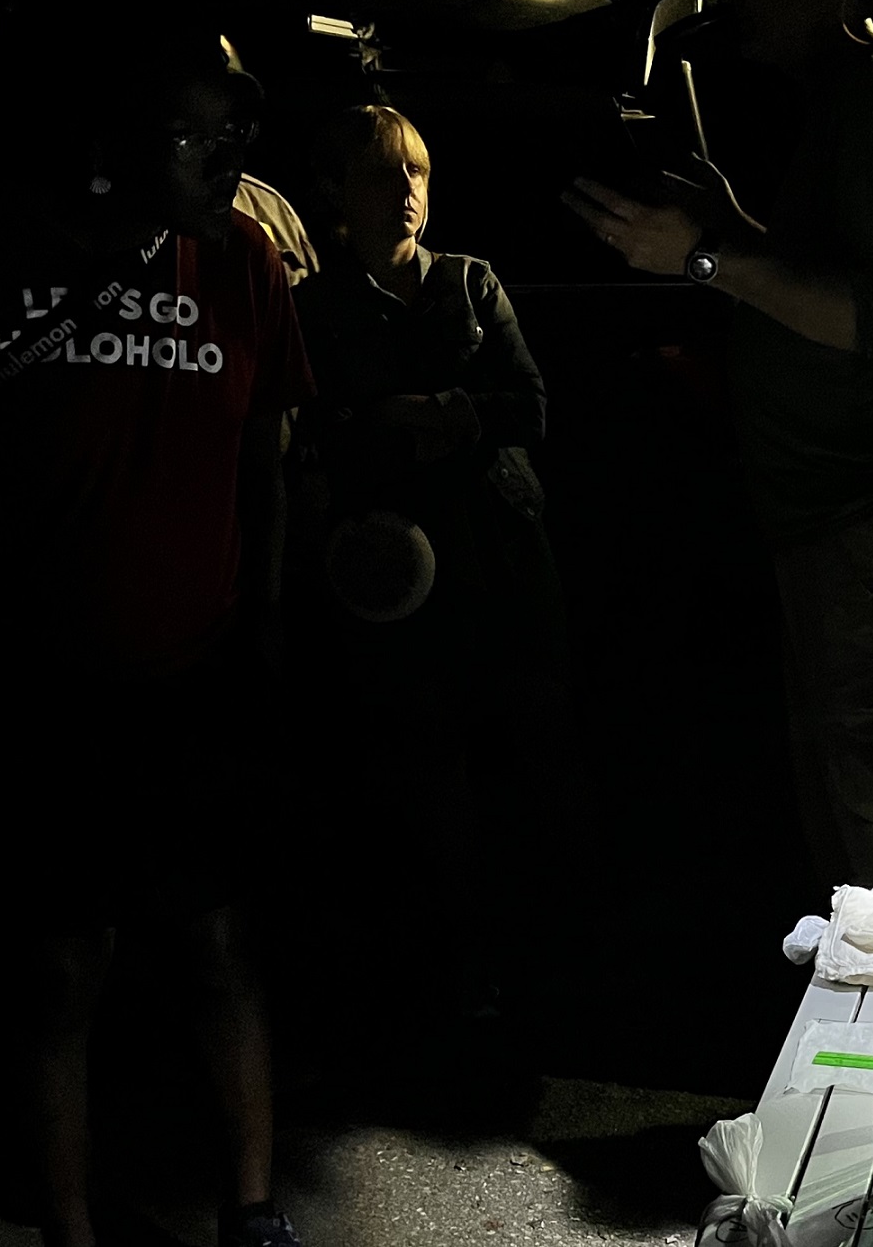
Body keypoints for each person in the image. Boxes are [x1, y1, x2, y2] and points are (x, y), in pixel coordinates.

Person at [0, 0, 311, 1247]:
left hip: (192, 673)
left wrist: (261, 630)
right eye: (203, 130)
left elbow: (266, 466)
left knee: (216, 943)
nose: (230, 156)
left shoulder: (247, 267)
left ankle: (252, 1214)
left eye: (243, 133)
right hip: (39, 681)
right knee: (58, 969)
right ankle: (71, 1230)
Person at [562, 0, 873, 894]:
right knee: (845, 784)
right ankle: (865, 1005)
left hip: (864, 506)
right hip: (829, 504)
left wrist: (703, 258)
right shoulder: (847, 103)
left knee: (870, 789)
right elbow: (835, 271)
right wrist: (734, 219)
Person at [291, 104, 566, 1076]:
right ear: (338, 194)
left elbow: (526, 405)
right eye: (381, 173)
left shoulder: (468, 283)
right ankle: (433, 975)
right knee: (410, 778)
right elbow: (320, 428)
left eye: (416, 171)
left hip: (494, 571)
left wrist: (421, 412)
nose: (404, 189)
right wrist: (431, 418)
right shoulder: (320, 307)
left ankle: (517, 968)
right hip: (390, 587)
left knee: (508, 767)